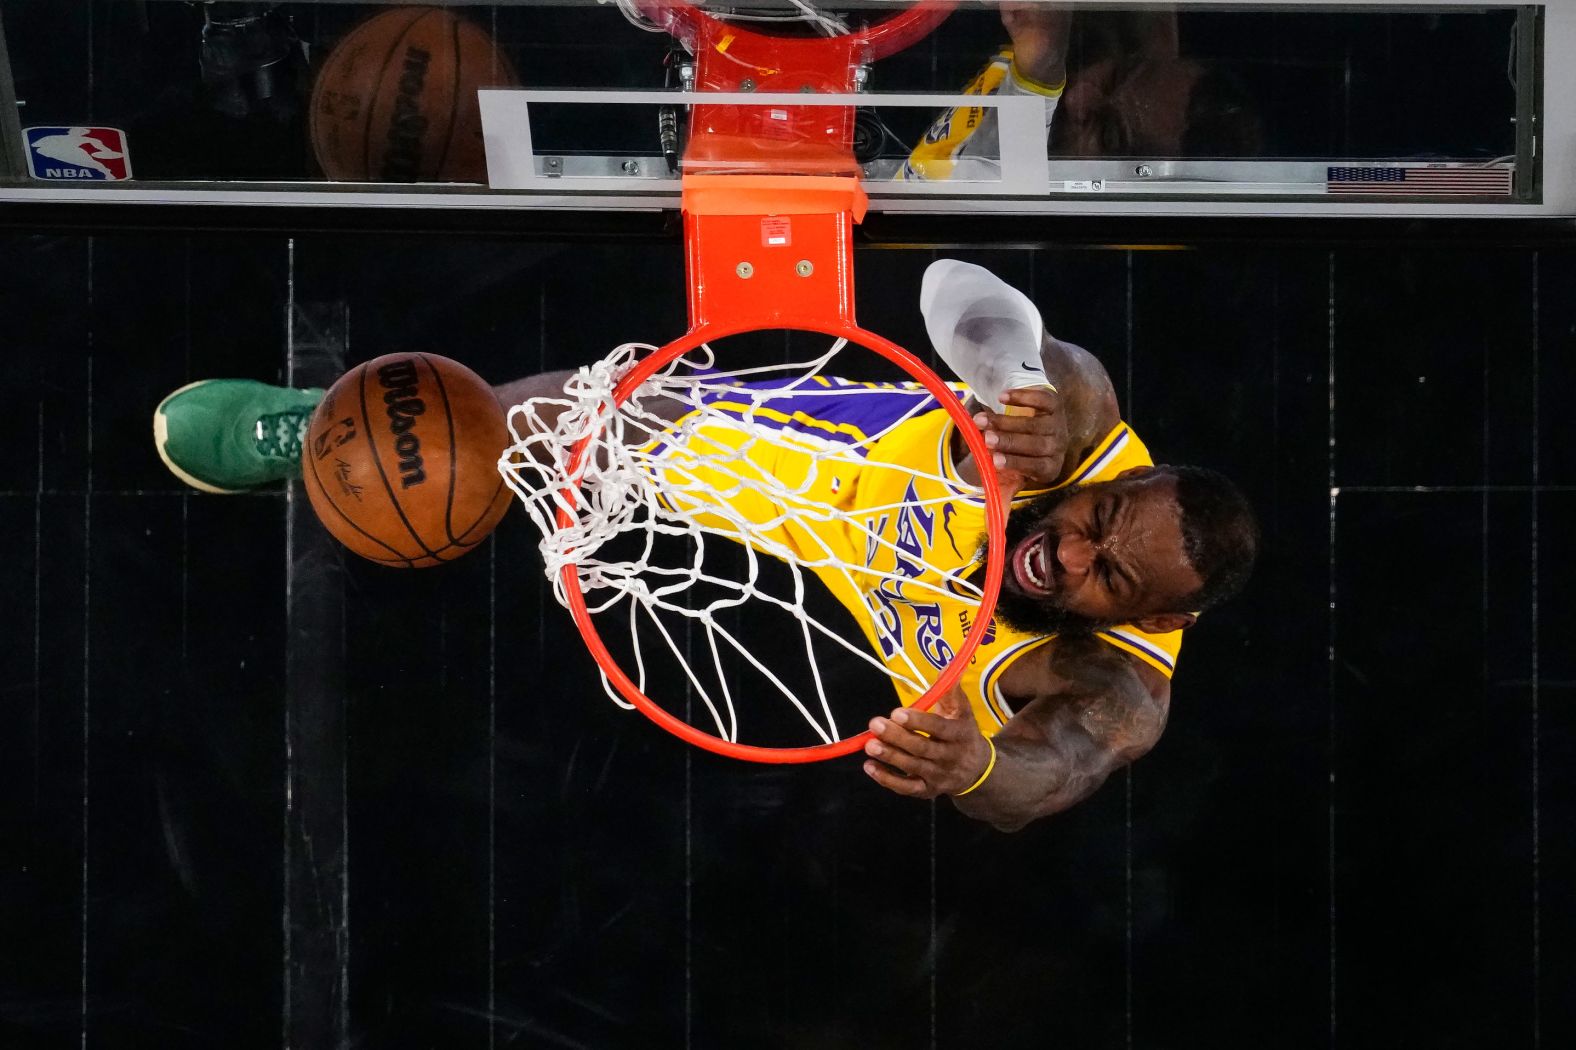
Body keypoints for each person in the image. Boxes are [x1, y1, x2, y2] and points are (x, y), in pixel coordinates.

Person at [153, 261, 1258, 831]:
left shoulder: (1117, 685)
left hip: (856, 599)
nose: (1067, 553)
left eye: (1107, 574)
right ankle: (327, 431)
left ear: (1155, 615)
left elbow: (1048, 776)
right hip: (845, 464)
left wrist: (976, 764)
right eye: (1095, 520)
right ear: (1122, 475)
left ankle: (373, 446)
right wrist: (1015, 381)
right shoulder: (1080, 430)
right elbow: (962, 297)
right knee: (576, 427)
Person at [903, 2, 1261, 182]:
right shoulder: (1092, 32)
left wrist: (1037, 73)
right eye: (1120, 74)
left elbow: (990, 189)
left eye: (1108, 132)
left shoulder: (1007, 238)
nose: (1081, 94)